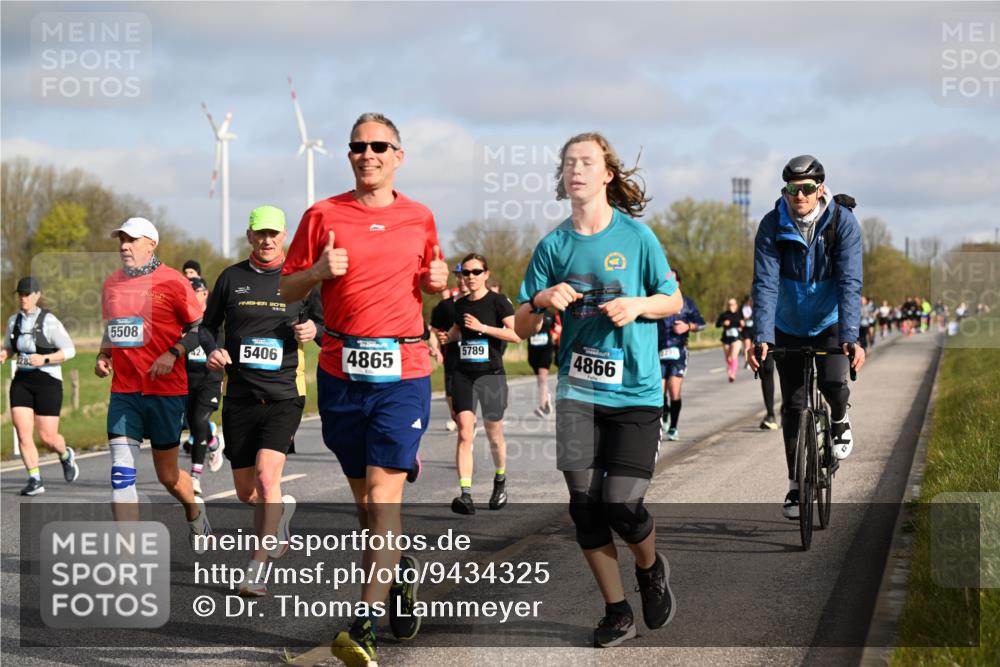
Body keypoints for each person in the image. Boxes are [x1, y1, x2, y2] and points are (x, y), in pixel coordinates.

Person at [278, 112, 449, 666]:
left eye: (379, 145)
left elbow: (428, 277)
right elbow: (285, 289)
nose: (367, 154)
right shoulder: (321, 214)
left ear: (399, 154)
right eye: (357, 147)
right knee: (365, 509)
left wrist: (437, 283)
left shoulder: (420, 216)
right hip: (340, 372)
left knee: (382, 496)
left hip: (404, 371)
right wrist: (318, 271)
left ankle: (364, 626)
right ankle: (397, 578)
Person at [514, 132, 681, 648]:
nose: (576, 169)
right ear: (562, 177)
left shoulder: (637, 238)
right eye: (568, 163)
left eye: (586, 162)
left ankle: (651, 569)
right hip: (577, 393)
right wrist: (541, 298)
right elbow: (519, 325)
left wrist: (637, 306)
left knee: (621, 504)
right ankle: (616, 611)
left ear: (607, 173)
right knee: (584, 505)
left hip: (635, 392)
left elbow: (672, 300)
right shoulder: (553, 245)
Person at [201, 205, 321, 596]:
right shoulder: (231, 278)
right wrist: (212, 351)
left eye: (273, 233)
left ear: (284, 234)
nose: (267, 240)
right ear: (250, 236)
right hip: (239, 395)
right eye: (260, 233)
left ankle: (256, 569)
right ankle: (280, 513)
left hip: (285, 394)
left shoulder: (302, 280)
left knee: (269, 478)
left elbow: (325, 326)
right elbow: (207, 327)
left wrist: (311, 328)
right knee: (247, 492)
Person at [748, 155, 865, 520]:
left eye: (806, 189)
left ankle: (841, 418)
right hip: (788, 322)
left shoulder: (842, 223)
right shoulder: (772, 225)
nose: (798, 195)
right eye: (791, 189)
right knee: (795, 406)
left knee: (832, 381)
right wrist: (762, 337)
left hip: (829, 321)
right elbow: (765, 284)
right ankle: (796, 485)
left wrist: (850, 336)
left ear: (821, 189)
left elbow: (849, 282)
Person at [95, 217, 211, 549]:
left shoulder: (174, 282)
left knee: (168, 476)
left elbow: (198, 329)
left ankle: (194, 509)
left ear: (151, 244)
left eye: (131, 239)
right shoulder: (112, 284)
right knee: (121, 475)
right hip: (125, 392)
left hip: (166, 391)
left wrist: (173, 353)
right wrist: (104, 355)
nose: (124, 246)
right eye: (121, 240)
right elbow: (113, 328)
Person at [439, 253, 519, 514]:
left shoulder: (498, 302)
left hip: (491, 374)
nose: (469, 277)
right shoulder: (459, 305)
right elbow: (457, 332)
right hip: (464, 374)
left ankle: (500, 480)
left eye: (475, 272)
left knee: (494, 433)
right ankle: (466, 494)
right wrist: (444, 338)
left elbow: (516, 334)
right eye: (465, 273)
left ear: (486, 274)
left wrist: (484, 327)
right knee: (464, 430)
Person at [2, 277, 79, 495]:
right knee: (23, 433)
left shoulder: (49, 321)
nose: (23, 298)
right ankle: (35, 479)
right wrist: (3, 354)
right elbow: (10, 347)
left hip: (48, 381)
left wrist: (44, 359)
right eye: (20, 294)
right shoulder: (13, 321)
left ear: (37, 295)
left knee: (47, 437)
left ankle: (65, 455)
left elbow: (69, 350)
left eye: (27, 294)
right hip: (23, 381)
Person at [183, 276, 225, 496]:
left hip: (210, 378)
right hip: (186, 379)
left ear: (205, 293)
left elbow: (226, 342)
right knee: (192, 423)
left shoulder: (215, 317)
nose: (191, 296)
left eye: (195, 292)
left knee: (200, 420)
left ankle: (195, 476)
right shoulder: (182, 318)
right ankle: (213, 441)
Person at [656, 271, 705, 441]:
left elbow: (702, 324)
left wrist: (688, 326)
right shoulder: (657, 301)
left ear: (678, 283)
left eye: (672, 279)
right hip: (659, 351)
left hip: (678, 352)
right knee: (659, 392)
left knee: (674, 389)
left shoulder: (687, 303)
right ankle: (666, 415)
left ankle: (674, 427)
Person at [429, 273, 466, 433]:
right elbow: (434, 330)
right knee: (450, 391)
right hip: (452, 354)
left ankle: (466, 420)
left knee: (468, 390)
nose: (463, 280)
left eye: (467, 275)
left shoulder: (483, 302)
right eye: (460, 276)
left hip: (474, 355)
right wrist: (435, 348)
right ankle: (457, 417)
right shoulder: (446, 305)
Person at [527, 308, 560, 418]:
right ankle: (545, 399)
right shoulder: (528, 313)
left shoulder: (550, 314)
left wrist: (557, 333)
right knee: (540, 378)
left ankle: (541, 406)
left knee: (542, 376)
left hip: (546, 348)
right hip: (533, 349)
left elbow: (557, 327)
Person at [716, 298, 744, 383]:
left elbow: (744, 326)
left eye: (732, 304)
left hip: (736, 338)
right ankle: (730, 368)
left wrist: (742, 325)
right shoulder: (724, 315)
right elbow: (717, 325)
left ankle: (733, 374)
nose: (731, 306)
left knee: (733, 356)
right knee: (728, 358)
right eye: (729, 304)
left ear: (736, 305)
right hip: (726, 338)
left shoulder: (739, 314)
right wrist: (723, 323)